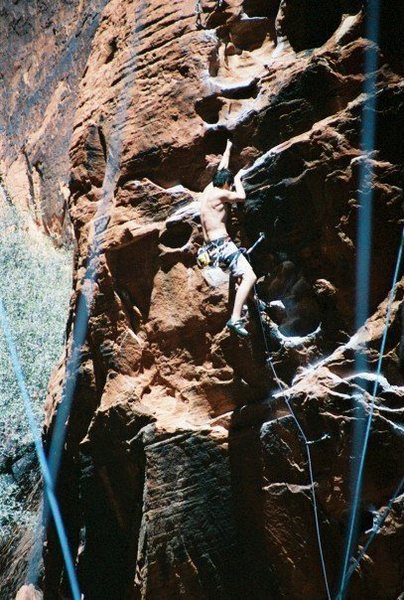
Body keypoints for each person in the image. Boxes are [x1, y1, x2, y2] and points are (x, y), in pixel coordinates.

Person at [198, 139, 257, 337]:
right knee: (250, 276)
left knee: (241, 275)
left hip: (210, 250)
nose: (229, 189)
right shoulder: (221, 194)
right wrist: (238, 179)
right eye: (228, 185)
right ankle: (235, 318)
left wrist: (228, 148)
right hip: (222, 245)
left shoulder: (207, 191)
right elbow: (241, 197)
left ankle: (248, 303)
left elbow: (222, 168)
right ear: (225, 184)